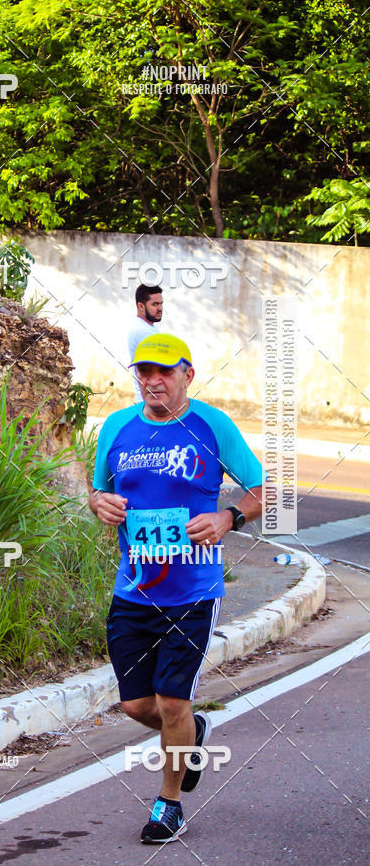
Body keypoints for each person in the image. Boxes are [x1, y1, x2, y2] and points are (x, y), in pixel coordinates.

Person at [89, 333, 266, 844]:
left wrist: (229, 517)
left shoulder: (212, 425)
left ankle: (169, 804)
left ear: (189, 374)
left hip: (192, 590)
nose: (153, 381)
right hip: (134, 589)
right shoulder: (117, 428)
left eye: (165, 371)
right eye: (144, 371)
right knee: (136, 707)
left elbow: (264, 488)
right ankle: (195, 737)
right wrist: (99, 503)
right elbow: (99, 489)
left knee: (170, 703)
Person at [127, 284, 163, 403]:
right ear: (141, 306)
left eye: (161, 303)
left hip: (150, 400)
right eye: (155, 304)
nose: (160, 308)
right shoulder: (143, 331)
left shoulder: (148, 327)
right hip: (149, 403)